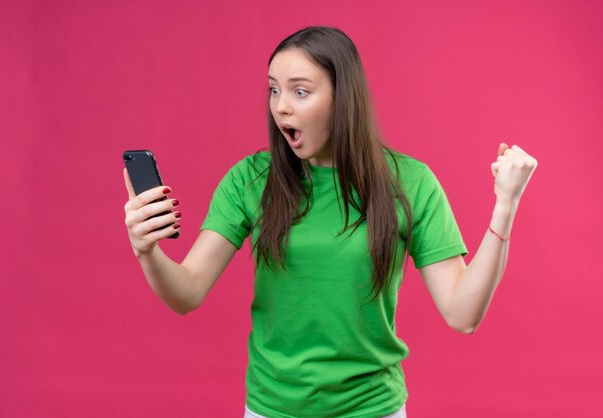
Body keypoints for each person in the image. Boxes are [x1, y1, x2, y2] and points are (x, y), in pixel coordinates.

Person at [123, 26, 537, 418]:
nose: (281, 105)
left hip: (373, 408)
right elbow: (187, 292)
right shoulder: (250, 179)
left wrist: (506, 205)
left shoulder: (410, 182)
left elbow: (462, 314)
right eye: (274, 89)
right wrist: (147, 250)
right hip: (271, 409)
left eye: (300, 91)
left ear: (343, 98)